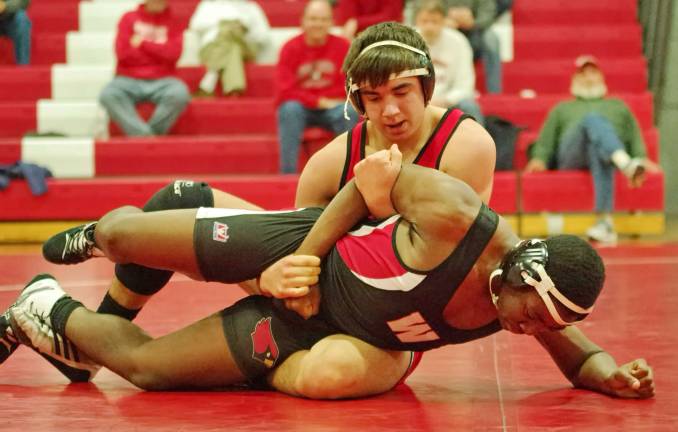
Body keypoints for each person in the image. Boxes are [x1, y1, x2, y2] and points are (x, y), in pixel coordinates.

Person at [22, 21, 497, 399]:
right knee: (183, 197)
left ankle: (255, 366)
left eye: (401, 92)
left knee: (331, 376)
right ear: (356, 100)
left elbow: (446, 260)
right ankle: (93, 331)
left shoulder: (465, 145)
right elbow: (299, 238)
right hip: (321, 286)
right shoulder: (333, 158)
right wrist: (275, 277)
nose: (390, 111)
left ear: (426, 87)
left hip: (393, 314)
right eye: (373, 98)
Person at [3, 149, 655, 400]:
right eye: (533, 315)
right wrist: (305, 261)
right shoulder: (459, 215)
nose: (528, 331)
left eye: (544, 324)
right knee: (121, 234)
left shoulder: (528, 301)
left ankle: (45, 311)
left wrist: (608, 374)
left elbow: (573, 350)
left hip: (318, 329)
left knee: (146, 373)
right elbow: (368, 186)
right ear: (519, 272)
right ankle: (96, 241)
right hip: (305, 250)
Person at [524, 55, 659, 244]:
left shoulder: (618, 106)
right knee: (592, 120)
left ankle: (604, 224)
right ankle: (625, 163)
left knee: (598, 149)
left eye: (593, 73)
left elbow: (634, 134)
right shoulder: (562, 108)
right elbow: (545, 140)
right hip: (571, 156)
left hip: (602, 156)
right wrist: (540, 158)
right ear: (574, 80)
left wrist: (641, 156)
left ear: (601, 77)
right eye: (583, 74)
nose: (588, 78)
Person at [275, 0, 357, 173]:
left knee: (349, 111)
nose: (318, 24)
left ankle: (347, 173)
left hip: (334, 107)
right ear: (303, 21)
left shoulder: (343, 47)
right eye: (313, 19)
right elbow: (285, 91)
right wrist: (318, 101)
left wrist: (330, 100)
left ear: (331, 22)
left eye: (323, 19)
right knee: (289, 109)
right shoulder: (289, 48)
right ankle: (287, 175)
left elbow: (350, 83)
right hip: (302, 108)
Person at [98, 0, 190, 137]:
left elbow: (173, 54)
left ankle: (145, 137)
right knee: (108, 94)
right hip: (128, 78)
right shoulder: (128, 18)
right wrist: (159, 53)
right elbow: (123, 54)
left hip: (163, 79)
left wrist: (142, 43)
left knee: (180, 93)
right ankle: (146, 137)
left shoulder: (174, 22)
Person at [414, 0, 484, 125]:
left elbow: (465, 85)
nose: (429, 27)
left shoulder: (459, 42)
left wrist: (446, 100)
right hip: (415, 100)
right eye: (425, 21)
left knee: (470, 106)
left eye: (434, 22)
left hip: (449, 100)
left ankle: (479, 144)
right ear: (416, 21)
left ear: (444, 21)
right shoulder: (407, 41)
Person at [189, 0, 271, 97]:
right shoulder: (208, 5)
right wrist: (221, 24)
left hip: (245, 47)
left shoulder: (251, 8)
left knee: (230, 35)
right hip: (212, 48)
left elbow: (263, 36)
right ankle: (234, 92)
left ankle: (208, 82)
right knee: (233, 45)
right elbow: (195, 25)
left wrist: (244, 29)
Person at [444, 0, 502, 94]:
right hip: (446, 29)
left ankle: (494, 93)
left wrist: (473, 23)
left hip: (475, 32)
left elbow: (488, 14)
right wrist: (443, 19)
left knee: (492, 39)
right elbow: (428, 8)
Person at [334, 0, 404, 40]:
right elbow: (344, 18)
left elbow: (391, 17)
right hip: (354, 36)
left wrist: (358, 22)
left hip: (386, 35)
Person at [0, 0, 31, 65]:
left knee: (22, 18)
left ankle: (23, 67)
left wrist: (5, 6)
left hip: (11, 18)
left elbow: (24, 2)